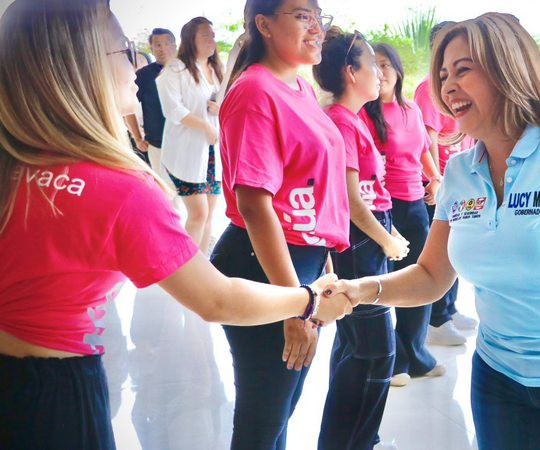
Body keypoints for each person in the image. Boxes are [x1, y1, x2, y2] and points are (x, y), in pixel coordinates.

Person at [0, 1, 353, 449]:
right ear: (82, 65)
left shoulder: (13, 167)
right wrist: (309, 300)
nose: (138, 66)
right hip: (55, 398)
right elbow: (218, 299)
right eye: (124, 50)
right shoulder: (121, 189)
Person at [325, 12, 540, 449]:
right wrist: (361, 289)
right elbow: (431, 275)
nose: (448, 87)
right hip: (499, 380)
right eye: (443, 76)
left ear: (506, 70)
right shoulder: (460, 171)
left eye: (463, 70)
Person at [214, 1, 344, 449]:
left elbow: (310, 183)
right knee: (263, 419)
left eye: (319, 16)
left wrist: (321, 266)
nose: (316, 27)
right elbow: (254, 204)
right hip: (265, 265)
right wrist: (294, 305)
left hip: (300, 265)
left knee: (281, 409)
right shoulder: (255, 91)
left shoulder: (299, 86)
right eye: (302, 15)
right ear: (264, 25)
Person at [313, 29, 410, 449]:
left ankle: (349, 440)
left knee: (355, 345)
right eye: (372, 64)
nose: (380, 73)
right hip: (360, 242)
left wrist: (390, 230)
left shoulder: (353, 119)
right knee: (375, 352)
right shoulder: (340, 121)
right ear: (351, 73)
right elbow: (351, 201)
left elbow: (370, 191)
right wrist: (385, 240)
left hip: (369, 236)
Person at [360, 42, 446, 387]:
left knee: (419, 282)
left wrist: (435, 177)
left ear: (397, 70)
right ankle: (394, 359)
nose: (380, 73)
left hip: (416, 205)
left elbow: (423, 149)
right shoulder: (364, 114)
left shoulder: (411, 108)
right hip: (383, 207)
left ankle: (416, 355)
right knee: (386, 284)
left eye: (385, 65)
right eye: (374, 65)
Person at [414, 20, 478, 346]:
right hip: (439, 182)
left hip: (461, 178)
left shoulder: (467, 84)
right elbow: (427, 137)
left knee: (459, 245)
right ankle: (437, 319)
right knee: (441, 251)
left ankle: (449, 310)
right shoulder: (429, 88)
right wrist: (435, 178)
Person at [156, 17, 223, 253]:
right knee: (198, 213)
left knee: (210, 212)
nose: (211, 39)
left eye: (212, 35)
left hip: (213, 152)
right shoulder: (176, 69)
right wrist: (206, 126)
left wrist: (220, 110)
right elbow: (173, 110)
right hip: (186, 152)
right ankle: (186, 265)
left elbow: (224, 103)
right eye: (205, 35)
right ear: (190, 39)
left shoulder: (217, 69)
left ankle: (203, 263)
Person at [124, 28, 177, 183]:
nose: (162, 48)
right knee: (166, 190)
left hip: (188, 143)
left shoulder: (188, 71)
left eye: (167, 43)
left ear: (175, 46)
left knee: (193, 191)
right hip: (157, 145)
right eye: (158, 45)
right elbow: (127, 108)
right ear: (151, 49)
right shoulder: (143, 75)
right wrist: (137, 137)